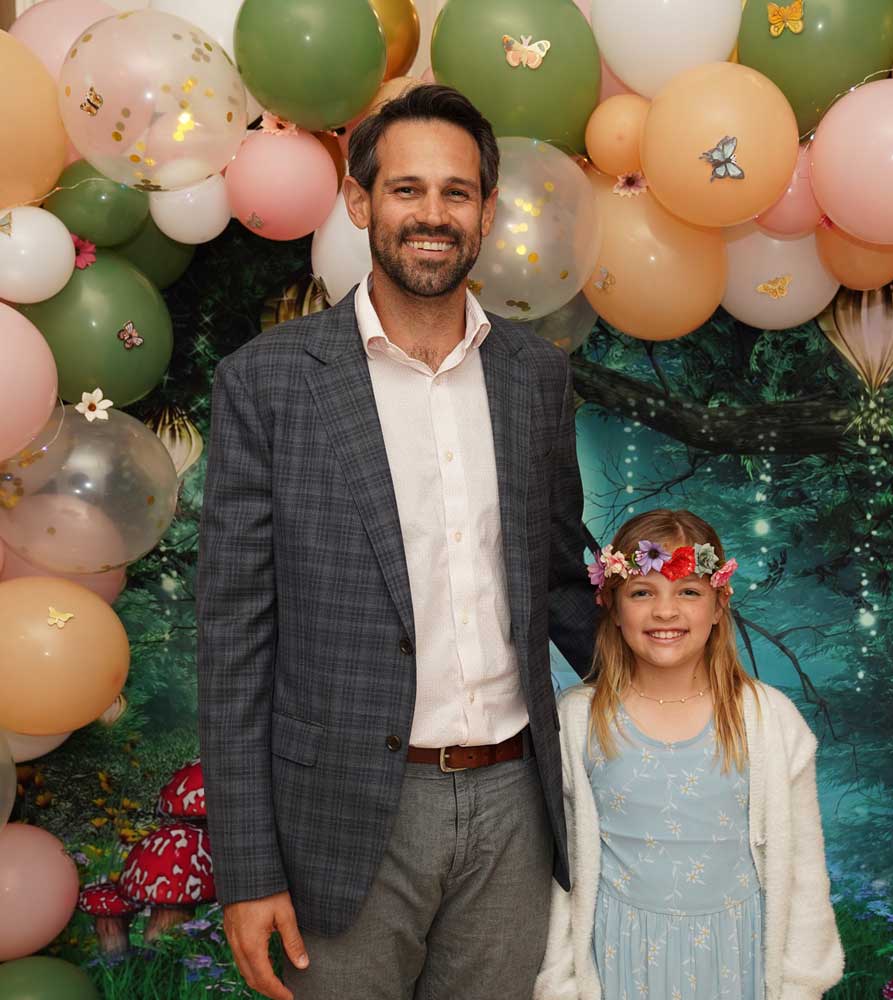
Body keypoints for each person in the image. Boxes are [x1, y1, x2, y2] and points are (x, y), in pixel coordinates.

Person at [196, 84, 597, 1000]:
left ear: (487, 214)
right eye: (407, 189)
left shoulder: (536, 376)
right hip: (339, 817)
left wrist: (686, 684)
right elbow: (233, 643)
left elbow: (561, 582)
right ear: (359, 201)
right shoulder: (267, 384)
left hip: (513, 808)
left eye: (456, 193)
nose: (433, 214)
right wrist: (248, 870)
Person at [534, 508, 844, 1000]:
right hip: (619, 960)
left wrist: (801, 984)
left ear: (719, 604)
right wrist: (562, 984)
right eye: (642, 593)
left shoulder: (768, 719)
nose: (665, 612)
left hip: (737, 960)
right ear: (612, 605)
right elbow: (558, 872)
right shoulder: (576, 721)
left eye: (689, 592)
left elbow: (802, 864)